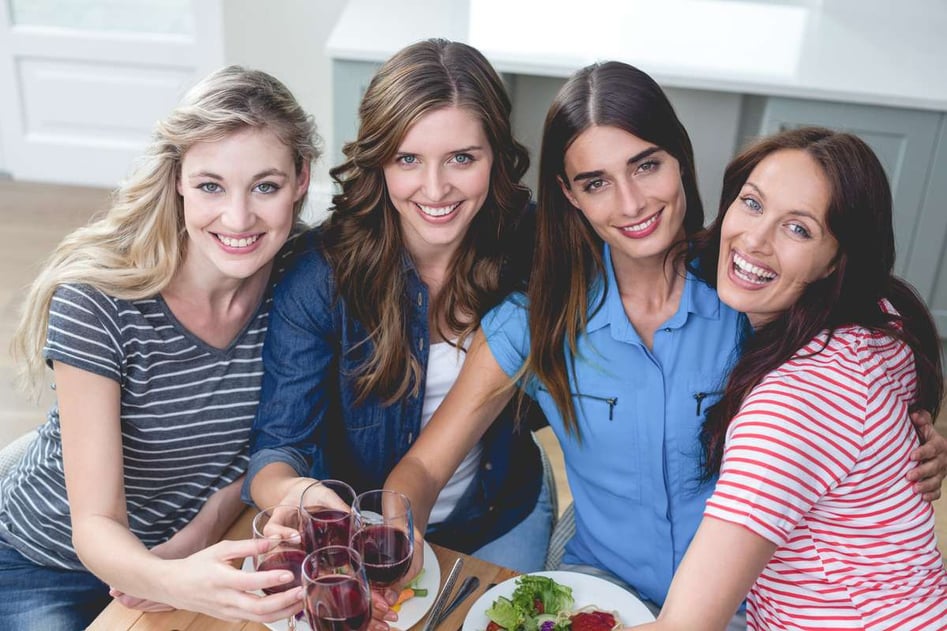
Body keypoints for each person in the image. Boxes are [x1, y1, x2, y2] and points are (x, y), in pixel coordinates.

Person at [384, 62, 947, 630]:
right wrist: (395, 537)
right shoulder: (534, 322)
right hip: (602, 591)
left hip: (746, 605)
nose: (630, 204)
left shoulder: (751, 289)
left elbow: (864, 349)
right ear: (569, 195)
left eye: (646, 165)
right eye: (596, 182)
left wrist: (917, 435)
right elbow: (425, 468)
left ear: (680, 157)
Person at [0, 65, 319, 629]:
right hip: (45, 560)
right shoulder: (99, 301)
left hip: (198, 549)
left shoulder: (303, 279)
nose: (239, 218)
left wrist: (199, 532)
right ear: (177, 180)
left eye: (265, 186)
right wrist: (171, 577)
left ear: (302, 180)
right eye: (210, 186)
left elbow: (274, 443)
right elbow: (95, 522)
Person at [244, 38, 552, 574]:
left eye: (462, 158)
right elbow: (277, 449)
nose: (435, 189)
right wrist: (293, 492)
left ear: (496, 158)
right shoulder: (319, 276)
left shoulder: (536, 245)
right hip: (363, 534)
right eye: (408, 159)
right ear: (378, 161)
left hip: (502, 514)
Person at [630, 127, 947, 630]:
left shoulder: (788, 407)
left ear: (836, 262)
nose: (753, 240)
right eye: (752, 204)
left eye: (798, 229)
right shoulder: (885, 317)